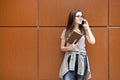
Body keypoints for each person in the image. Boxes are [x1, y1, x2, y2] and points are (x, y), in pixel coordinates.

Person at [59, 9, 95, 80]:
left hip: (81, 58)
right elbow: (61, 47)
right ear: (72, 18)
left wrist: (87, 28)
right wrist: (69, 47)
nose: (81, 18)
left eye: (81, 16)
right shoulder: (66, 31)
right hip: (70, 57)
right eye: (78, 16)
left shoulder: (83, 30)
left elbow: (92, 41)